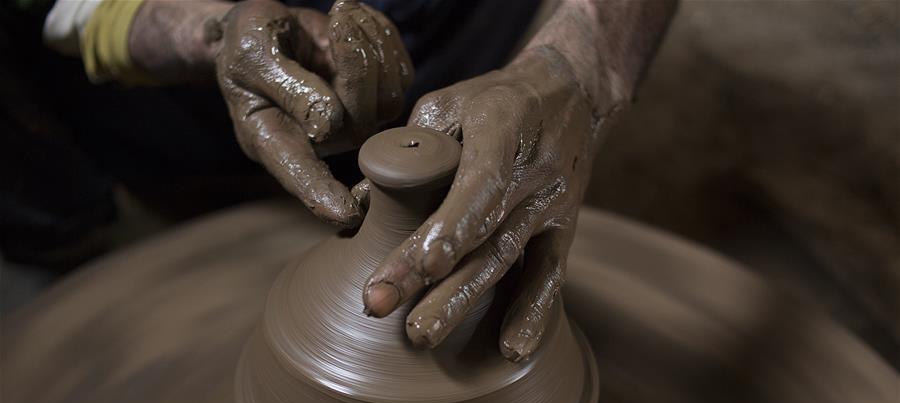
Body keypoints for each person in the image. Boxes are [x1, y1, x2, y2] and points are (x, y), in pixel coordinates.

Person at [40, 0, 677, 360]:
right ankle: (67, 227)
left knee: (465, 135)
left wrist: (579, 59)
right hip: (182, 47)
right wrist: (205, 28)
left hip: (455, 26)